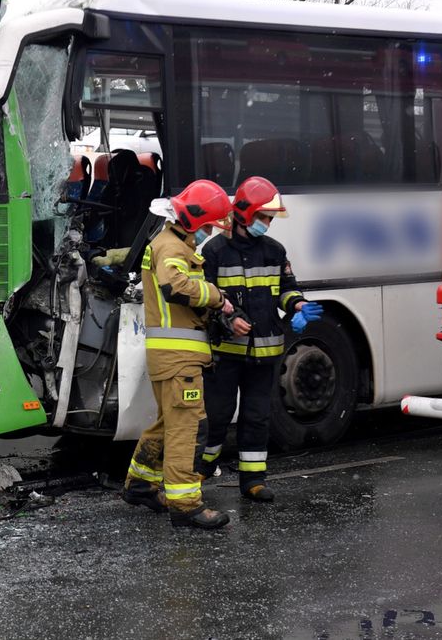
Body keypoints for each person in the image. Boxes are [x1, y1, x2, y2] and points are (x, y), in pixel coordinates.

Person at [200, 176, 323, 502]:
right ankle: (199, 471)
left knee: (257, 417)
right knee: (217, 416)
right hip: (226, 354)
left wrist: (298, 304)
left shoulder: (274, 251)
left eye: (269, 219)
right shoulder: (213, 252)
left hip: (265, 354)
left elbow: (286, 288)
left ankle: (253, 480)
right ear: (243, 213)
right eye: (263, 217)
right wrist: (230, 318)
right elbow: (206, 299)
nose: (266, 224)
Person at [121, 180, 235, 529]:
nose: (208, 232)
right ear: (196, 219)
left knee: (168, 421)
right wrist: (216, 296)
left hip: (169, 356)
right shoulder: (172, 248)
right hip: (179, 358)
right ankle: (185, 504)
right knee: (188, 426)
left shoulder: (167, 242)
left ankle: (140, 484)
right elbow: (175, 286)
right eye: (208, 225)